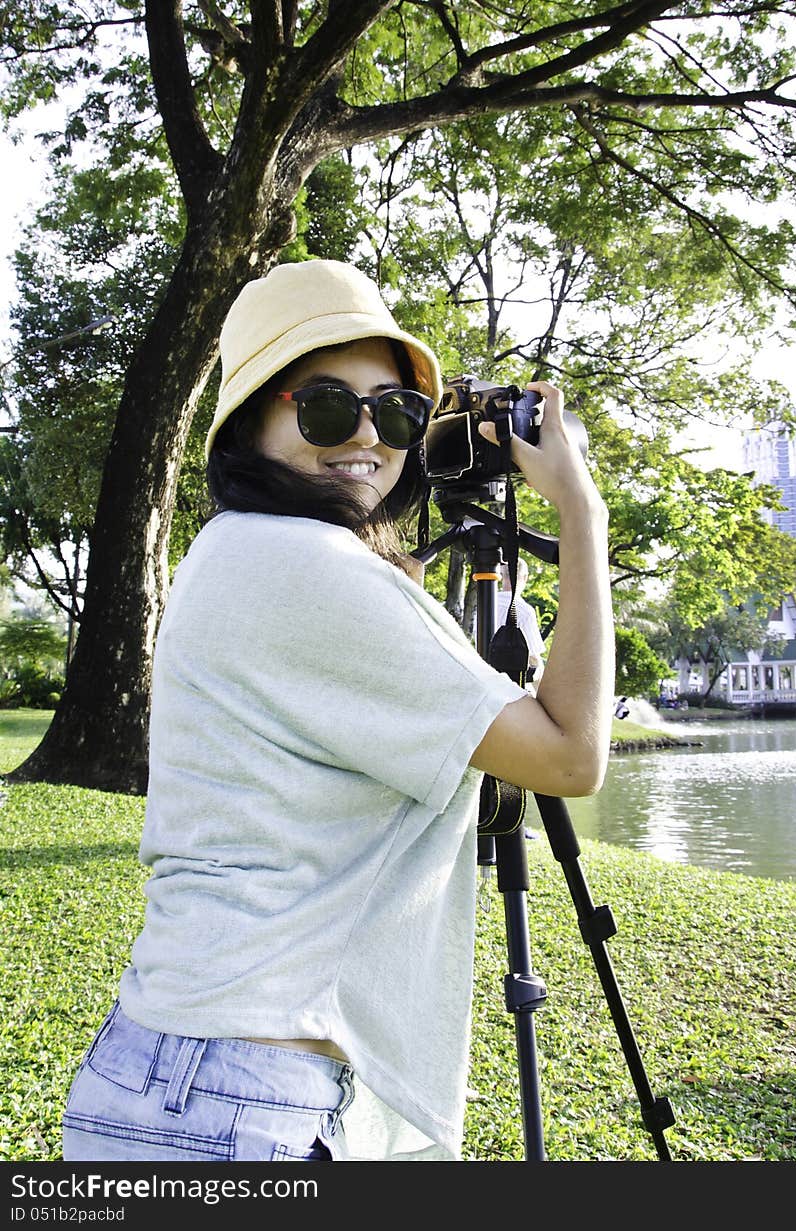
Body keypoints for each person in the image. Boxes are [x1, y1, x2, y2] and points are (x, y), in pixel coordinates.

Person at [61, 258, 614, 1163]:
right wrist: (581, 517)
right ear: (254, 419)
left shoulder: (229, 554)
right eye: (326, 405)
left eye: (396, 411)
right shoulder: (312, 570)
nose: (369, 435)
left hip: (164, 1075)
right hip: (248, 1103)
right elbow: (569, 756)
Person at [494, 559, 546, 690]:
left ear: (501, 575)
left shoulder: (484, 606)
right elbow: (534, 660)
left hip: (487, 683)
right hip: (514, 687)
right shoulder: (524, 611)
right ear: (525, 577)